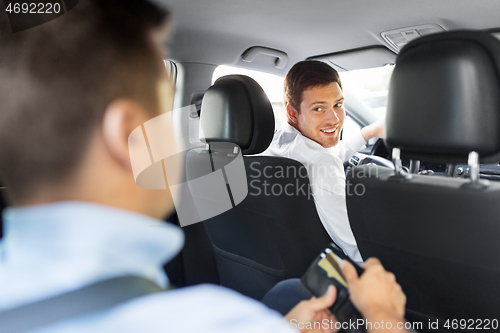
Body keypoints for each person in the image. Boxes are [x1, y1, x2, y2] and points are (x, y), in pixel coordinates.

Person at [0, 1, 407, 332]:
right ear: (123, 131)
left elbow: (326, 158)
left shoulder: (222, 168)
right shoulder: (211, 320)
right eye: (159, 112)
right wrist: (384, 318)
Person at [264, 60, 384, 264]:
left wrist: (368, 133)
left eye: (338, 105)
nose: (335, 119)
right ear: (293, 113)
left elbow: (321, 156)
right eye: (318, 109)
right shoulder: (321, 164)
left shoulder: (277, 141)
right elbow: (354, 246)